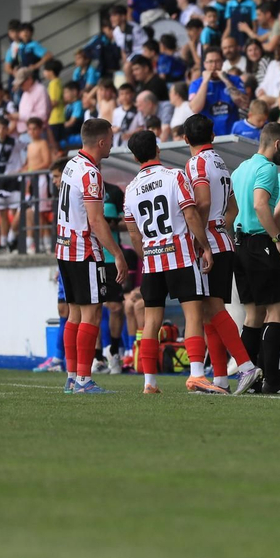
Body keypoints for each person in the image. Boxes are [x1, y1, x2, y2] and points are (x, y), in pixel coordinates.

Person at [120, 130, 227, 395]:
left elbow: (134, 234)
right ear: (158, 149)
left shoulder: (131, 189)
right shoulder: (174, 176)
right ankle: (196, 375)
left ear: (134, 157)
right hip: (180, 255)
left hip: (153, 262)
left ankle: (149, 383)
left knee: (151, 323)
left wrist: (147, 257)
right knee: (193, 315)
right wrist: (204, 247)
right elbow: (190, 214)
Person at [181, 114, 263, 395]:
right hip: (222, 240)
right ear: (213, 136)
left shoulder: (196, 162)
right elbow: (233, 208)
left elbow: (202, 201)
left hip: (210, 245)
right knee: (208, 312)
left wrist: (200, 239)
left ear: (185, 138)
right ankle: (220, 380)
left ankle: (245, 366)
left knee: (214, 309)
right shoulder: (219, 161)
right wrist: (218, 227)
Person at [55, 118, 129, 395]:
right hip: (84, 250)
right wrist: (118, 254)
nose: (112, 142)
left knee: (75, 314)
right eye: (110, 138)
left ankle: (73, 376)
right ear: (101, 142)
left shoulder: (71, 165)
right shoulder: (90, 172)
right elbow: (97, 222)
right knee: (92, 313)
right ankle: (84, 379)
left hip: (65, 247)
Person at [232, 122, 280, 395]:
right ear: (277, 144)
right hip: (261, 243)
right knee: (278, 311)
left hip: (241, 243)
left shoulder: (240, 169)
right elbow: (260, 204)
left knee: (253, 315)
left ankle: (248, 377)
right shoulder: (267, 168)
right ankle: (272, 380)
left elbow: (236, 208)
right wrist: (279, 239)